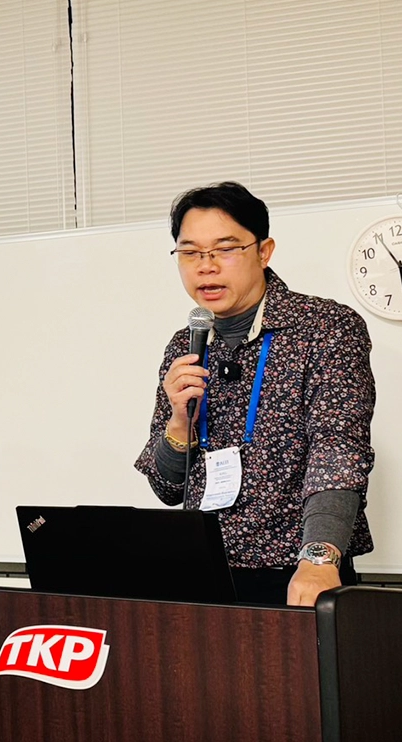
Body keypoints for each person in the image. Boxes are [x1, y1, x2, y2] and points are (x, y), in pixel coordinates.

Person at [134, 181, 375, 606]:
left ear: (263, 252)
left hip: (297, 577)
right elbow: (167, 488)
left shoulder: (324, 328)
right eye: (190, 253)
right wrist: (178, 423)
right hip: (202, 574)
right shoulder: (185, 345)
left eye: (225, 249)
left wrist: (318, 559)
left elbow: (337, 451)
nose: (206, 267)